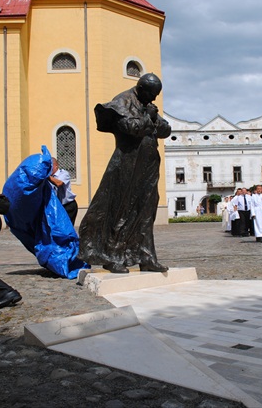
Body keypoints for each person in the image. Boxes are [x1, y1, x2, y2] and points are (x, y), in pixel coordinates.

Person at [78, 73, 171, 274]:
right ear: (142, 88)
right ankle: (112, 256)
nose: (154, 99)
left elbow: (166, 130)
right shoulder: (123, 101)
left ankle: (146, 257)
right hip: (127, 164)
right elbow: (130, 128)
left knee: (146, 211)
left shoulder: (148, 104)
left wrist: (152, 116)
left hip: (148, 164)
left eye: (157, 95)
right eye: (152, 94)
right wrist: (149, 117)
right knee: (120, 210)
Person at [48, 157, 78, 225]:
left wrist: (47, 177)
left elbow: (59, 183)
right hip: (57, 206)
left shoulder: (64, 174)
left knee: (67, 228)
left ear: (56, 166)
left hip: (68, 205)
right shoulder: (49, 178)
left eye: (50, 166)